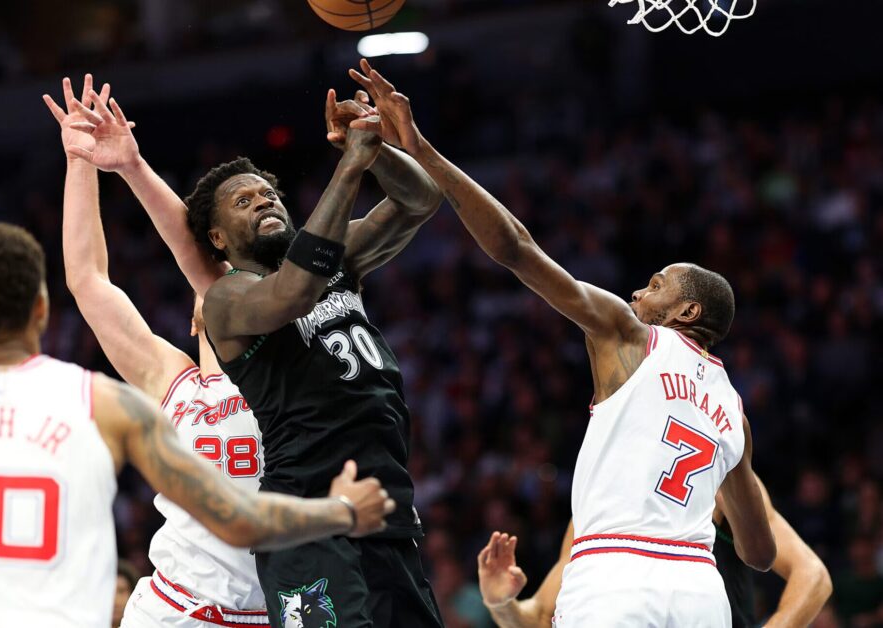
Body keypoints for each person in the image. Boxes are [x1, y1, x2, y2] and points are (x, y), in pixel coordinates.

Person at [348, 59, 776, 627]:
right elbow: (759, 554)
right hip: (700, 591)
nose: (638, 291)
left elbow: (515, 248)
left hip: (615, 579)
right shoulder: (734, 411)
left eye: (656, 285)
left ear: (688, 311)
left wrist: (420, 147)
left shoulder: (630, 334)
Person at [0, 222, 395, 627]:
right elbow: (237, 519)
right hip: (176, 607)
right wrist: (343, 512)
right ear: (41, 309)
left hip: (276, 600)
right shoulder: (113, 400)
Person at [190, 83, 445, 624]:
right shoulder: (226, 299)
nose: (263, 201)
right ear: (217, 238)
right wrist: (350, 167)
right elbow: (293, 293)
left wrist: (372, 149)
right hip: (307, 521)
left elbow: (420, 200)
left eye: (268, 194)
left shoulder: (335, 257)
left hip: (386, 513)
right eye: (243, 202)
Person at [44, 73, 269, 626]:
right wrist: (80, 162)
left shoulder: (282, 369)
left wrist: (135, 167)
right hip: (173, 608)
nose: (217, 290)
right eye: (208, 293)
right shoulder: (174, 382)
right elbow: (88, 279)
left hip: (270, 611)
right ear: (195, 321)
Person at [476, 477, 832, 627]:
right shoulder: (595, 506)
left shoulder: (712, 474)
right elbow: (540, 617)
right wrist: (501, 603)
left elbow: (812, 576)